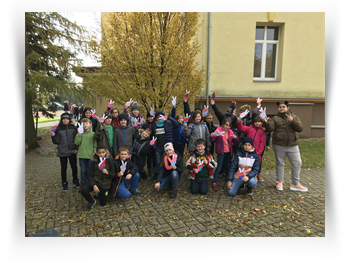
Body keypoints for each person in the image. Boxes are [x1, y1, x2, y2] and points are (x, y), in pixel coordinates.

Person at [262, 101, 308, 192]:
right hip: (279, 145)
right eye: (280, 107)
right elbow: (269, 129)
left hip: (293, 145)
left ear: (288, 108)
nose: (281, 108)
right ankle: (279, 181)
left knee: (297, 163)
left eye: (283, 106)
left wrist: (292, 121)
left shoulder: (294, 116)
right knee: (280, 163)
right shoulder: (275, 118)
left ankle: (295, 183)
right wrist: (266, 122)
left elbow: (300, 129)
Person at [80, 145, 116, 211]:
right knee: (83, 189)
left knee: (103, 203)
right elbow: (89, 175)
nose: (101, 154)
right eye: (99, 153)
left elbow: (113, 175)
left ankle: (100, 194)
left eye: (103, 152)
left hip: (105, 185)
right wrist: (94, 185)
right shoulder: (94, 162)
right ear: (96, 153)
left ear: (105, 152)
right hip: (96, 183)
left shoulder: (109, 161)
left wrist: (108, 173)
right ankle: (91, 201)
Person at [51, 112, 80, 192]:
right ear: (61, 120)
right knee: (63, 168)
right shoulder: (58, 128)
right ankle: (64, 183)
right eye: (63, 119)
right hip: (62, 151)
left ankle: (75, 180)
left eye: (67, 119)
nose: (65, 120)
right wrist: (53, 136)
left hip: (72, 150)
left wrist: (76, 148)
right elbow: (56, 141)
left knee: (74, 167)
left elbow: (77, 139)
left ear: (69, 119)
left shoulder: (73, 128)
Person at [209, 118, 239, 191]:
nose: (227, 127)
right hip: (221, 152)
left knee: (227, 166)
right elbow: (212, 140)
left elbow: (236, 141)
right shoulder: (218, 130)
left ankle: (228, 178)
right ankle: (214, 183)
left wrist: (236, 138)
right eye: (226, 125)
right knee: (219, 167)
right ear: (223, 125)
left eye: (229, 125)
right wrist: (212, 135)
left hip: (228, 152)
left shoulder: (230, 132)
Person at [152, 110, 180, 180]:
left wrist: (168, 117)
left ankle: (165, 174)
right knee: (158, 161)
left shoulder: (168, 123)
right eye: (158, 117)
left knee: (166, 161)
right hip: (158, 146)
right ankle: (157, 173)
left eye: (161, 116)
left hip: (167, 147)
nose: (160, 118)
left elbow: (176, 124)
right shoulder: (154, 125)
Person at [237, 115, 266, 180]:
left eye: (259, 122)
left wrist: (258, 152)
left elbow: (262, 143)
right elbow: (242, 128)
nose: (257, 123)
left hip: (256, 152)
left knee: (254, 166)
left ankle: (253, 178)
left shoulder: (262, 131)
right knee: (245, 165)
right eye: (255, 122)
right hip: (247, 150)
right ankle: (243, 177)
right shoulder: (250, 129)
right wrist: (239, 122)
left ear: (261, 122)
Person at [74, 118, 97, 186]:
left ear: (90, 124)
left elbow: (95, 144)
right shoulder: (80, 134)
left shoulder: (93, 134)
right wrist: (79, 135)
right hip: (82, 155)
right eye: (83, 124)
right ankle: (83, 184)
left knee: (90, 171)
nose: (85, 125)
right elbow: (77, 143)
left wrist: (94, 153)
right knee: (83, 171)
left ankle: (90, 183)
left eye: (87, 123)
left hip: (90, 155)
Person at [142, 111, 156, 177]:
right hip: (147, 144)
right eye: (149, 117)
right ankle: (149, 170)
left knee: (155, 158)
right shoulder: (145, 125)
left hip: (154, 144)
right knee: (149, 158)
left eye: (152, 117)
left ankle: (154, 169)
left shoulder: (155, 124)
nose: (150, 118)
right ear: (147, 118)